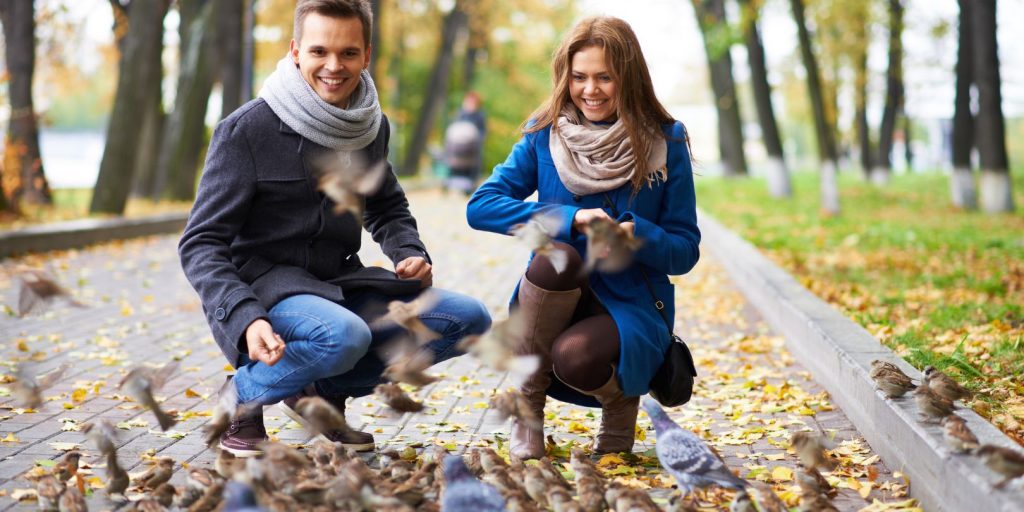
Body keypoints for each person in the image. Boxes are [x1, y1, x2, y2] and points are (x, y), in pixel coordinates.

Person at [179, 0, 490, 457]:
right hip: (264, 289)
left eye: (347, 53)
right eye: (319, 51)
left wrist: (407, 249)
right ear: (296, 51)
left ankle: (316, 393)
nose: (333, 65)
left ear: (366, 55)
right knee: (343, 336)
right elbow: (201, 243)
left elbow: (386, 205)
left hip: (337, 284)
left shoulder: (370, 128)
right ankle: (241, 398)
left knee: (468, 319)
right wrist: (245, 317)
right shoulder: (247, 130)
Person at [466, 16, 700, 458]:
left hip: (630, 303)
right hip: (552, 297)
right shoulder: (544, 133)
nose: (590, 90)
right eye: (579, 77)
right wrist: (569, 219)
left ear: (627, 78)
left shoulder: (666, 140)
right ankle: (527, 406)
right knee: (555, 256)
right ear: (565, 77)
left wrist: (639, 235)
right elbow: (480, 207)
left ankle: (619, 405)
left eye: (604, 77)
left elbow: (685, 251)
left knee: (574, 356)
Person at [443, 92, 487, 196]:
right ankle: (449, 182)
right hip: (458, 145)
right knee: (451, 160)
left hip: (473, 146)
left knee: (476, 161)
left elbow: (482, 132)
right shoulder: (460, 114)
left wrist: (477, 139)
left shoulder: (480, 115)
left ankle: (471, 184)